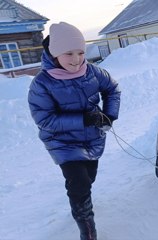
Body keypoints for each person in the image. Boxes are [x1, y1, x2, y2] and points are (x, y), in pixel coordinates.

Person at [28, 22, 121, 240]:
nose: (76, 59)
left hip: (92, 138)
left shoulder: (93, 72)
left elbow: (112, 89)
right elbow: (44, 118)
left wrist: (110, 115)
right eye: (68, 53)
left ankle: (81, 198)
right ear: (54, 54)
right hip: (62, 143)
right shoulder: (42, 84)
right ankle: (87, 231)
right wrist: (83, 119)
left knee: (89, 178)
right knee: (78, 183)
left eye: (80, 52)